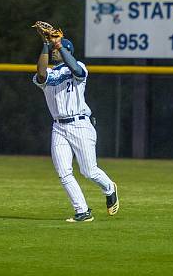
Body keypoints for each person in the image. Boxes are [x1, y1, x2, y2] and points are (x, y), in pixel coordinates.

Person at [32, 34, 119, 222]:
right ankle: (82, 211)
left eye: (57, 49)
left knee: (89, 171)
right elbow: (41, 73)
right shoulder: (49, 73)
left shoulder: (79, 67)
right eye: (54, 50)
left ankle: (109, 187)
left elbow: (76, 70)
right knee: (63, 172)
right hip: (58, 127)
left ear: (67, 50)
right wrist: (46, 46)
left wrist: (59, 45)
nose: (55, 52)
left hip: (80, 124)